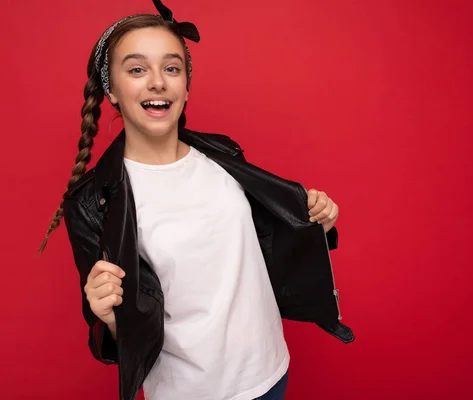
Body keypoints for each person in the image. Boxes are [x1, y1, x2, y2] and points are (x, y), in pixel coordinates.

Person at [39, 1, 354, 399]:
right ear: (112, 92)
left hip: (269, 372)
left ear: (186, 87)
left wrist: (315, 223)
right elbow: (115, 335)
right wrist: (107, 316)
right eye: (137, 69)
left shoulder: (224, 156)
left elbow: (265, 244)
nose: (158, 82)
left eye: (171, 68)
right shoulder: (90, 203)